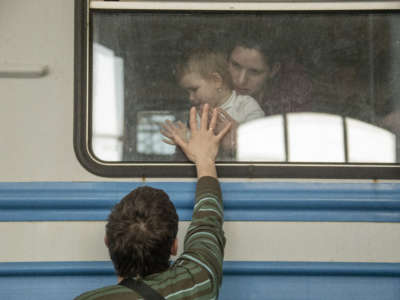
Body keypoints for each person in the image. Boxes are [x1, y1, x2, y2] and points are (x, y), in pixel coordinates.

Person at [74, 104, 232, 300]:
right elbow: (207, 224)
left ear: (107, 242)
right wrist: (204, 160)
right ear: (174, 247)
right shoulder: (198, 282)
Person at [162, 46, 264, 159]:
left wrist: (237, 134)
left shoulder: (246, 105)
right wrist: (185, 140)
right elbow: (200, 154)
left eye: (194, 89)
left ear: (216, 81)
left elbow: (262, 143)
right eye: (188, 92)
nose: (190, 97)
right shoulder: (197, 116)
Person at [227, 29, 314, 116]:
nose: (240, 81)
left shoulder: (291, 104)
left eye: (254, 72)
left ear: (274, 70)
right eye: (236, 66)